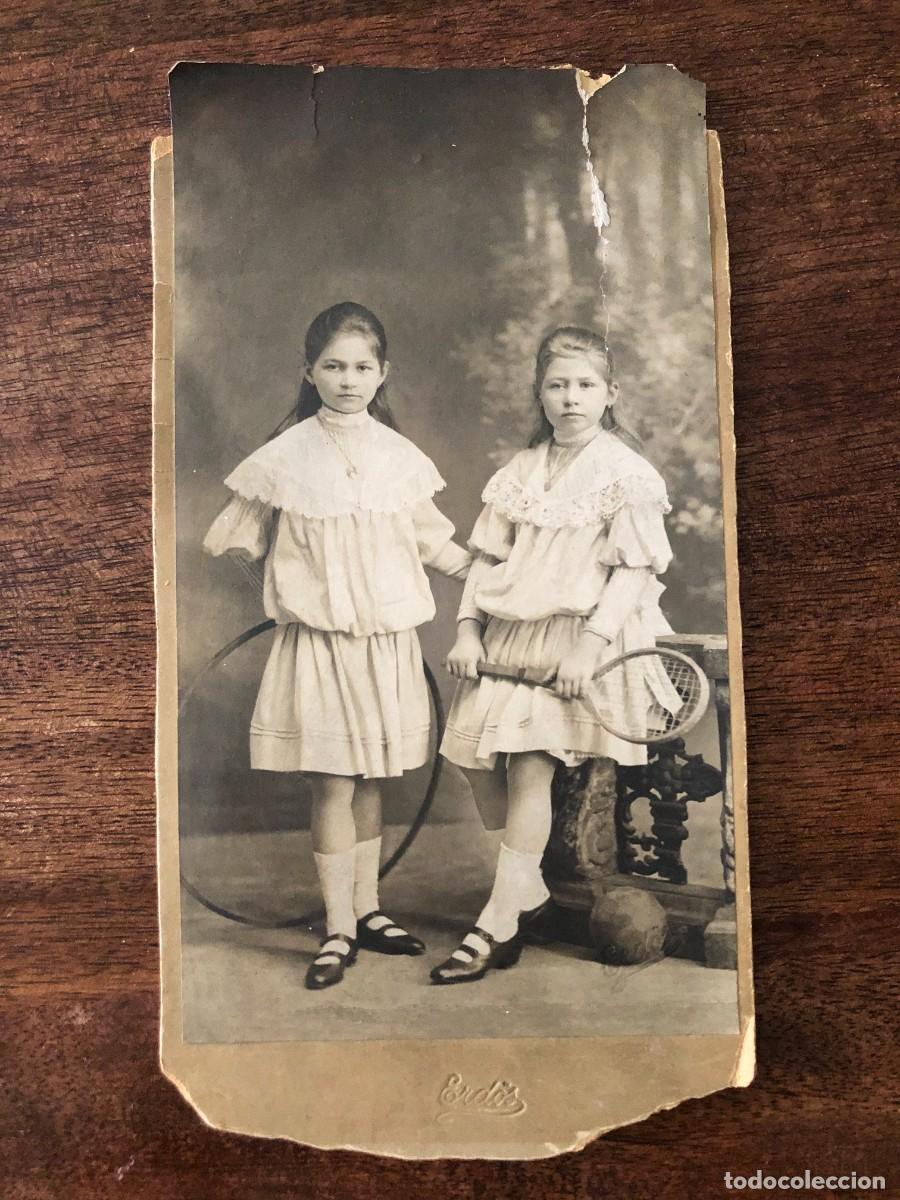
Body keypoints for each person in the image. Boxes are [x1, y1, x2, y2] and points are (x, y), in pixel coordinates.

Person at [203, 302, 470, 990]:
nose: (348, 380)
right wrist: (294, 589)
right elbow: (235, 539)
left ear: (383, 374)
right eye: (333, 366)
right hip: (319, 648)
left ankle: (368, 908)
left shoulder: (399, 456)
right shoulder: (284, 457)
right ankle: (338, 926)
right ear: (309, 372)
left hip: (384, 645)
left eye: (361, 367)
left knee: (374, 776)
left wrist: (495, 576)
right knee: (332, 780)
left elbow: (433, 542)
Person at [433, 325, 674, 984]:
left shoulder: (626, 474)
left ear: (609, 393)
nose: (572, 398)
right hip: (513, 634)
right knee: (472, 760)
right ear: (540, 393)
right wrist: (466, 630)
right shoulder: (519, 472)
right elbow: (485, 562)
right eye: (558, 384)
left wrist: (590, 646)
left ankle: (496, 922)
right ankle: (526, 894)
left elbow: (632, 573)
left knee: (531, 766)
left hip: (582, 635)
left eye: (586, 385)